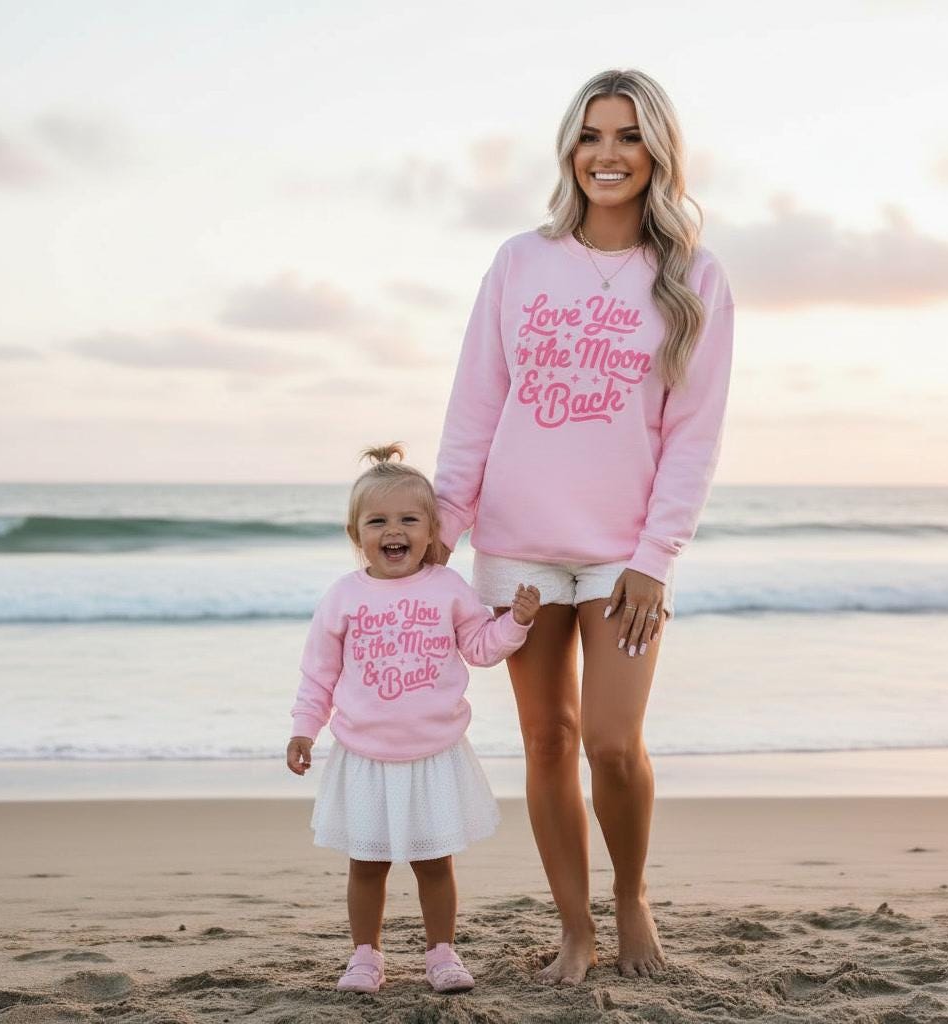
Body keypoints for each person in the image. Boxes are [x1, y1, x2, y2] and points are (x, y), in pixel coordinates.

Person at [433, 68, 735, 984]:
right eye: (593, 136)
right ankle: (576, 926)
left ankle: (631, 894)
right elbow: (475, 407)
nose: (609, 154)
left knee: (611, 741)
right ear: (571, 149)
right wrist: (440, 534)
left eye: (630, 137)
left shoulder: (695, 278)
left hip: (623, 557)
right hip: (516, 544)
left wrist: (656, 557)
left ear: (658, 154)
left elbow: (694, 434)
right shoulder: (520, 262)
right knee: (547, 741)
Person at [286, 444, 541, 994]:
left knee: (433, 862)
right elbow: (318, 674)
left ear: (431, 532)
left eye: (408, 519)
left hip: (433, 751)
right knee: (367, 864)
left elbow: (479, 645)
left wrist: (514, 624)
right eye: (377, 521)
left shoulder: (448, 587)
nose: (393, 530)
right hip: (364, 754)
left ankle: (441, 954)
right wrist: (304, 728)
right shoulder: (343, 597)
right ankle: (365, 957)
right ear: (357, 534)